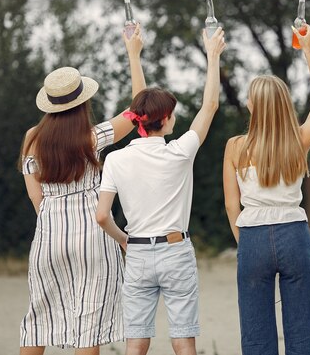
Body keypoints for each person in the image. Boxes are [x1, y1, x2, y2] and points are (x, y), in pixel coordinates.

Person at [94, 27, 226, 355]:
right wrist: (213, 55)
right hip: (175, 250)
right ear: (165, 120)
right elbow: (210, 106)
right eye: (173, 115)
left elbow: (101, 216)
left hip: (137, 253)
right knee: (183, 341)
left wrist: (124, 239)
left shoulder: (116, 159)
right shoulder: (179, 151)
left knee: (136, 344)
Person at [18, 25, 146, 355]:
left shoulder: (32, 138)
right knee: (89, 327)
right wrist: (134, 54)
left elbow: (36, 196)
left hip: (49, 236)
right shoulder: (92, 136)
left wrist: (52, 221)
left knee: (37, 321)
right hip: (92, 235)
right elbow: (138, 111)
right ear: (82, 100)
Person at [223, 24, 310, 355]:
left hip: (253, 237)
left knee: (256, 335)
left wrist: (246, 242)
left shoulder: (235, 147)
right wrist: (308, 51)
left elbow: (231, 205)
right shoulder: (299, 140)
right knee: (302, 331)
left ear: (253, 107)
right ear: (284, 105)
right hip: (295, 236)